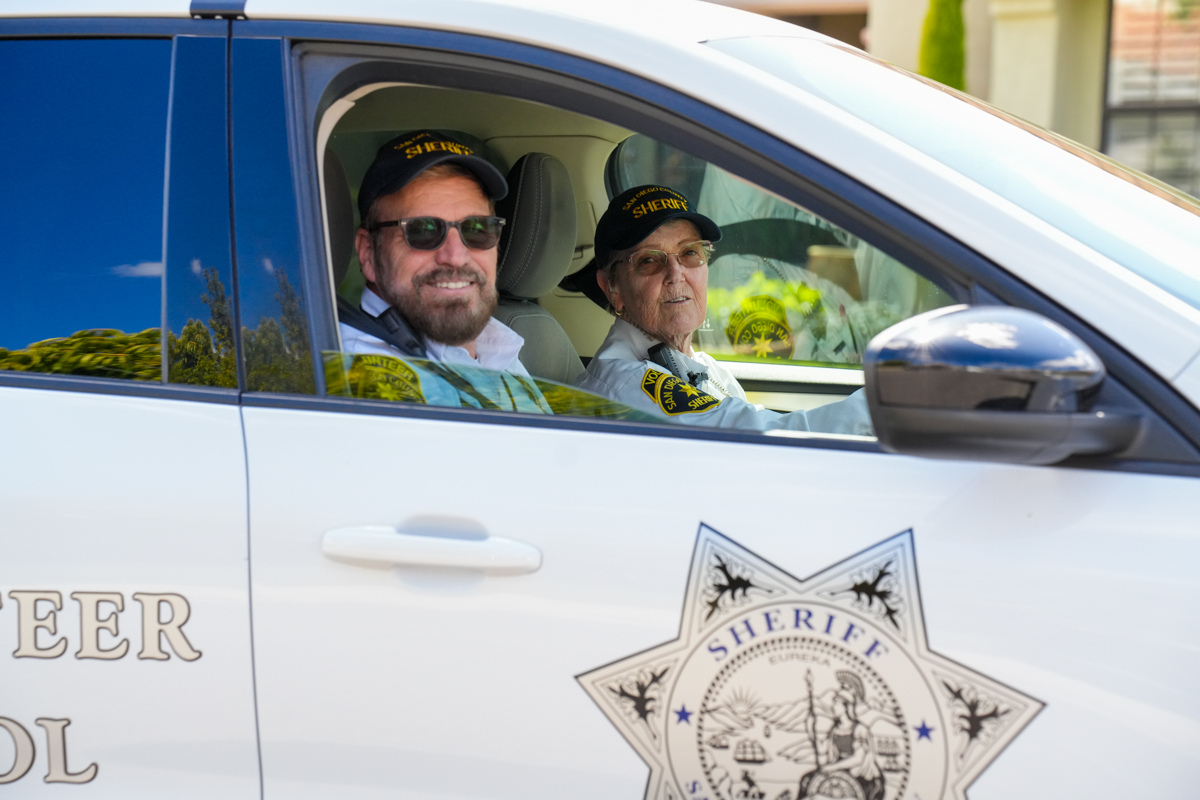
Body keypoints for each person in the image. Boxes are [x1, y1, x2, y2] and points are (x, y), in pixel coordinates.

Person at [574, 184, 872, 434]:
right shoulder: (631, 385)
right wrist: (882, 407)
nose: (676, 274)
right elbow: (769, 440)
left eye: (690, 252)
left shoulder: (697, 365)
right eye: (648, 260)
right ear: (611, 287)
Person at [335, 130, 548, 413]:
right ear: (368, 253)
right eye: (422, 230)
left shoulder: (497, 348)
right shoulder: (362, 384)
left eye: (477, 228)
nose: (456, 256)